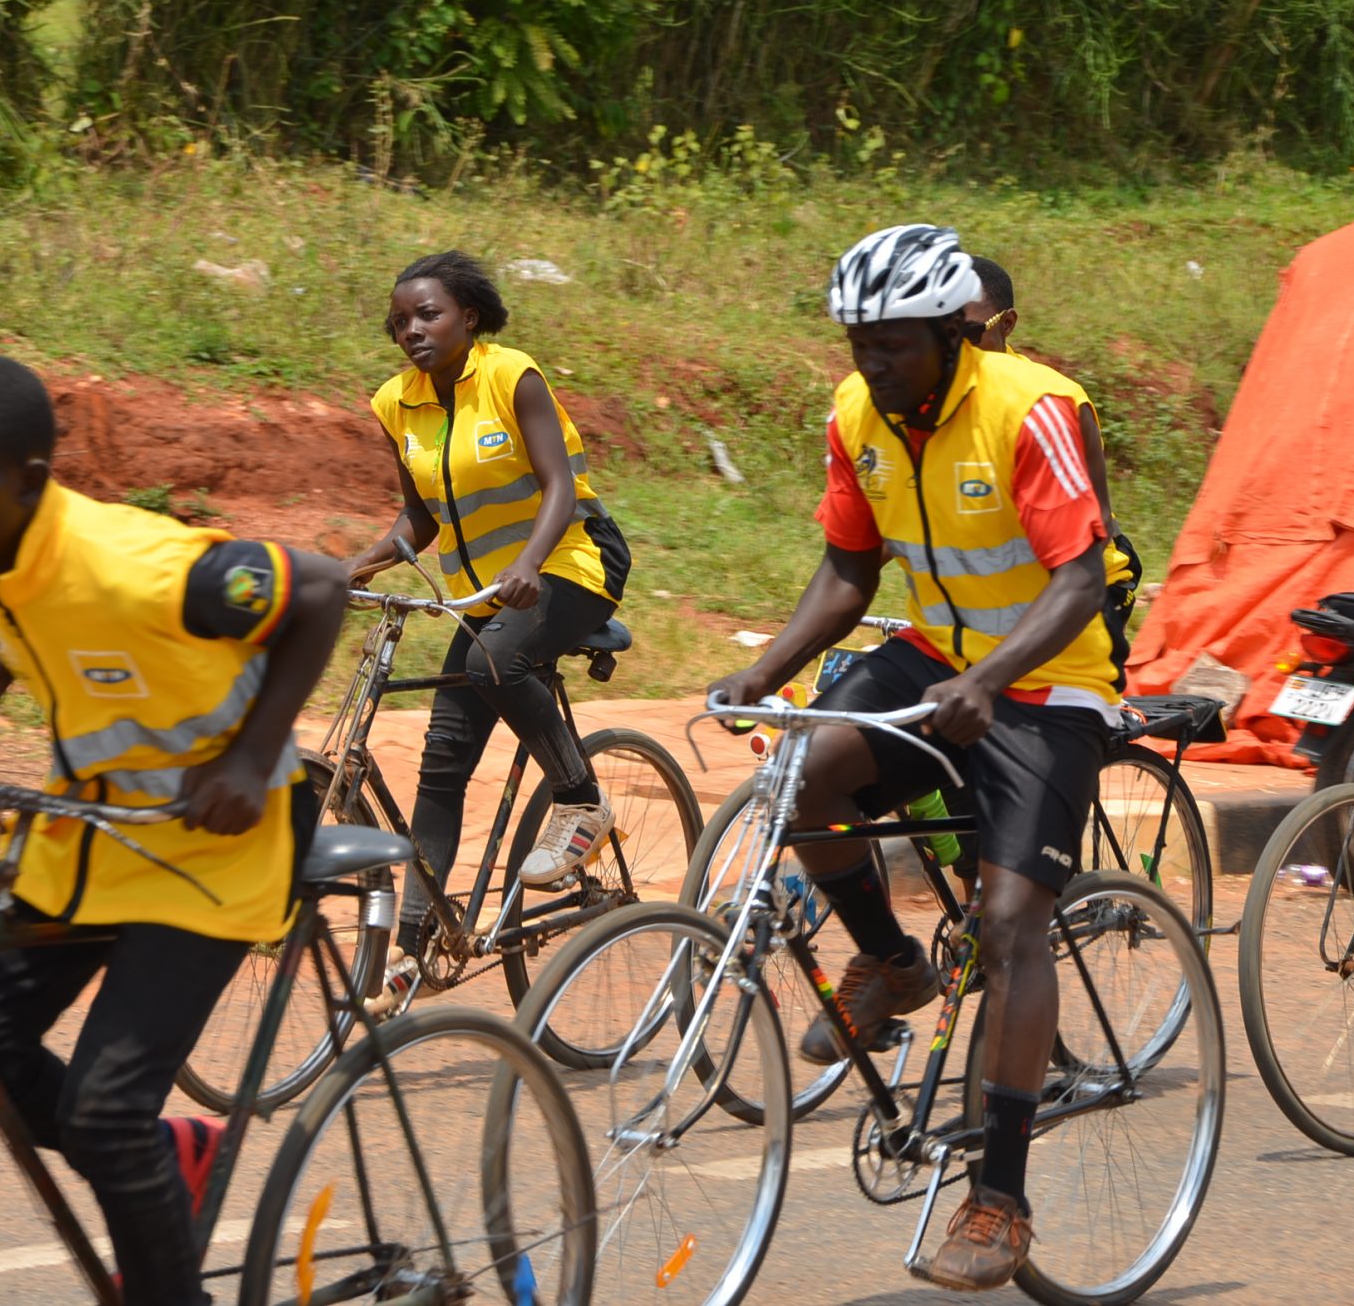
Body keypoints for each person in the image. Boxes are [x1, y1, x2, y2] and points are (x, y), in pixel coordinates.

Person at [0, 353, 346, 1304]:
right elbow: (21, 619)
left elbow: (320, 589)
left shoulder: (140, 568)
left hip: (217, 848)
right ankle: (167, 1158)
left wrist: (251, 758)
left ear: (27, 485)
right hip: (96, 836)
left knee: (104, 1116)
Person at [711, 224, 1118, 1290]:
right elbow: (848, 571)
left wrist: (992, 679)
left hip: (1049, 680)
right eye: (858, 344)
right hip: (936, 659)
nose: (872, 364)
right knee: (799, 776)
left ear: (948, 334)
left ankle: (1000, 1202)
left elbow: (1081, 579)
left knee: (1010, 926)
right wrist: (765, 669)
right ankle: (893, 964)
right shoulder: (857, 415)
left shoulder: (1030, 406)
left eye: (891, 343)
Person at [347, 251, 631, 1008]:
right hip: (485, 595)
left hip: (571, 563)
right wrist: (355, 567)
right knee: (441, 761)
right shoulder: (395, 403)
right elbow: (420, 518)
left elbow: (559, 485)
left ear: (468, 318)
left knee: (490, 665)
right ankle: (414, 947)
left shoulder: (511, 376)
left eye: (428, 314)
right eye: (399, 321)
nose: (412, 330)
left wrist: (530, 563)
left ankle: (580, 801)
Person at [962, 256, 1143, 685]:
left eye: (968, 334)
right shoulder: (923, 396)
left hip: (1081, 589)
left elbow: (1078, 545)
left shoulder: (1047, 404)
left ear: (1007, 324)